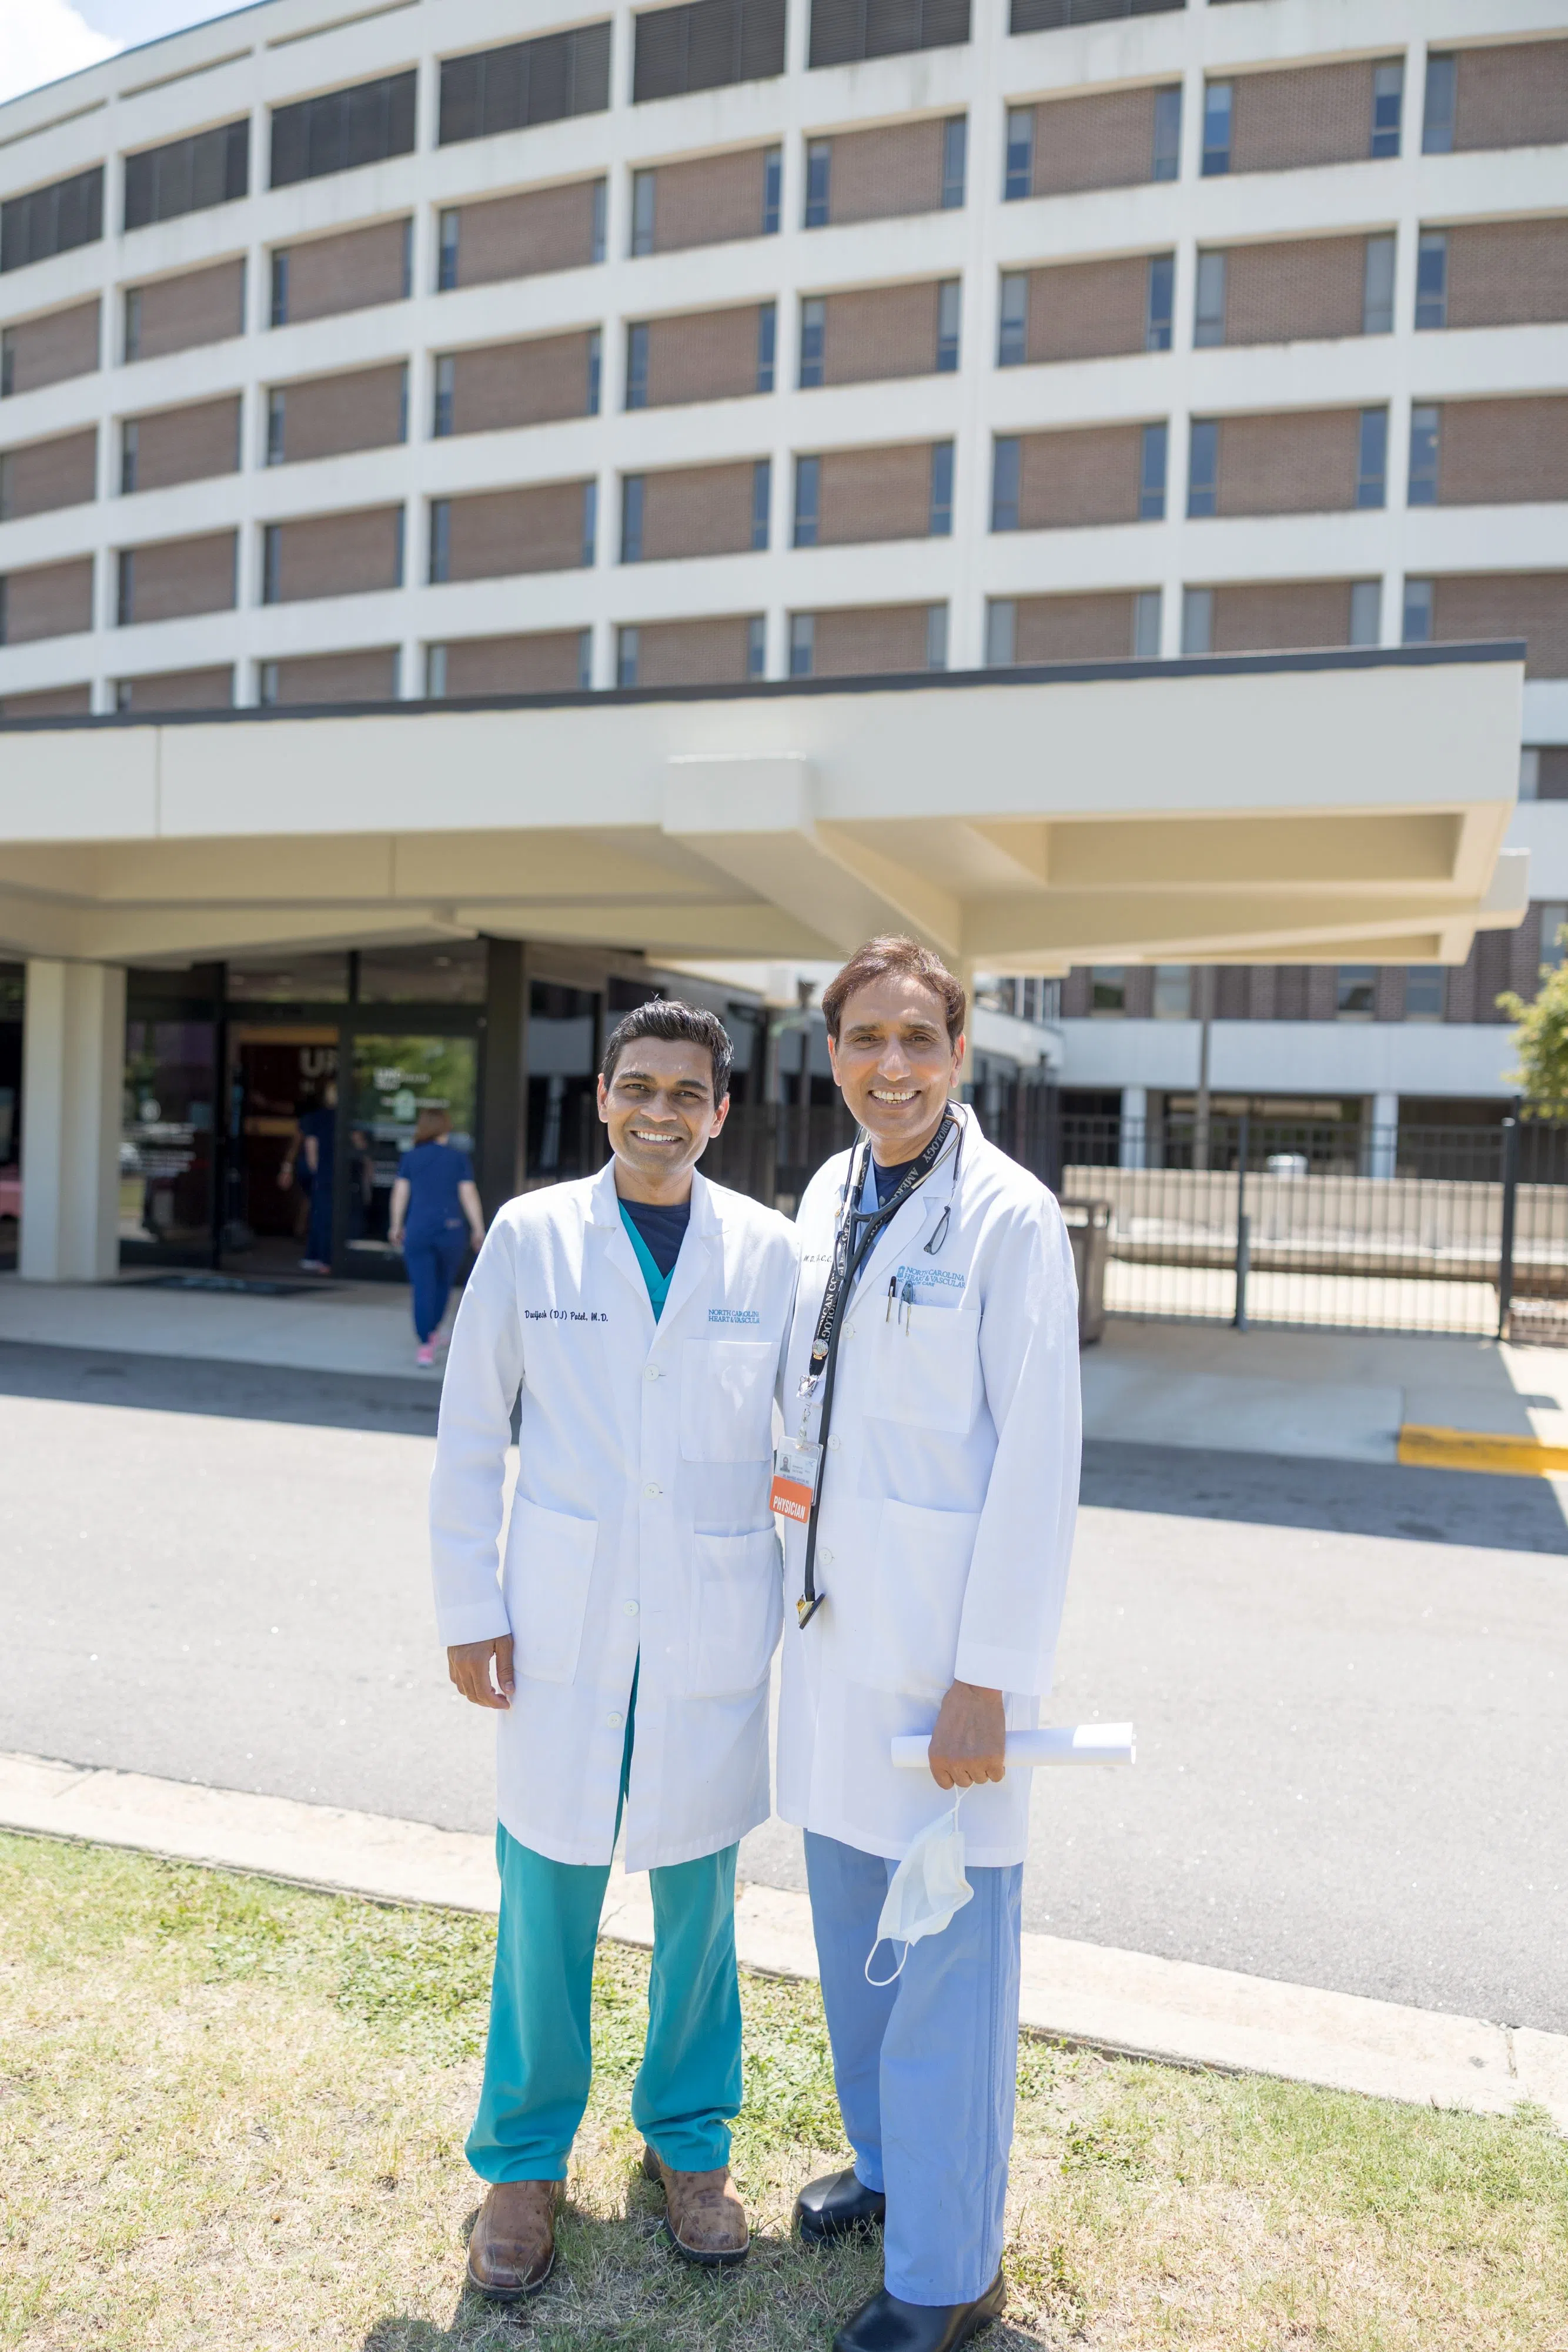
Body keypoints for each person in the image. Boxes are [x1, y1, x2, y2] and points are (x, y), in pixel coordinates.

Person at [429, 1000, 798, 2303]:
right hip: (562, 1627)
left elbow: (798, 1451)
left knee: (698, 1907)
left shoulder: (770, 1251)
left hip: (705, 1624)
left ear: (720, 1109)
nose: (659, 1111)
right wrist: (470, 1605)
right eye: (636, 1086)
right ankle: (522, 2161)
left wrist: (807, 1611)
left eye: (685, 1092)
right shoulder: (533, 1235)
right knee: (545, 1899)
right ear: (600, 1097)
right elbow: (473, 1432)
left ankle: (689, 2144)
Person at [775, 938, 1081, 2352]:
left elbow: (1039, 1464)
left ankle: (950, 2276)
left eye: (917, 1038)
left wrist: (990, 1675)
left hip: (951, 1673)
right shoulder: (832, 1190)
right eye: (863, 1038)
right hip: (839, 1646)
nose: (888, 1065)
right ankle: (894, 2171)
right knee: (857, 1940)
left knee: (950, 1961)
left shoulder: (1010, 1219)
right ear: (831, 1053)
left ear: (961, 1053)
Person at [388, 1107, 486, 1366]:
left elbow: (400, 1193)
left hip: (418, 1229)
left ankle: (425, 1343)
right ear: (446, 1128)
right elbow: (468, 1194)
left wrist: (396, 1224)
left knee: (422, 1287)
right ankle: (433, 1333)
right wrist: (478, 1228)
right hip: (451, 1231)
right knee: (443, 1285)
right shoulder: (457, 1159)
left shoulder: (411, 1158)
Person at [295, 1079, 337, 1273]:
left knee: (320, 1215)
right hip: (337, 1173)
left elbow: (311, 1147)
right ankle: (323, 1259)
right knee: (326, 1216)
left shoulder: (316, 1118)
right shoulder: (346, 1118)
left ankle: (316, 1256)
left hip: (324, 1173)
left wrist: (316, 1172)